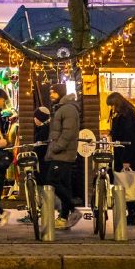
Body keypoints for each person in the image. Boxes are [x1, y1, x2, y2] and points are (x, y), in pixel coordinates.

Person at [106, 91, 135, 225]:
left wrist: (126, 161)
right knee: (126, 184)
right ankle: (133, 210)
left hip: (127, 155)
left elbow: (129, 138)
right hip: (125, 154)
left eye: (112, 105)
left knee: (126, 184)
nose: (111, 108)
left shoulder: (126, 116)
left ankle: (133, 212)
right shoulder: (125, 114)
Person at [46, 83, 81, 230]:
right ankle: (64, 216)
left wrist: (56, 147)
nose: (51, 95)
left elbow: (68, 132)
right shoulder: (62, 108)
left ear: (60, 93)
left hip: (62, 154)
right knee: (64, 185)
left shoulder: (68, 109)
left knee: (51, 180)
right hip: (62, 153)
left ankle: (73, 209)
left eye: (53, 92)